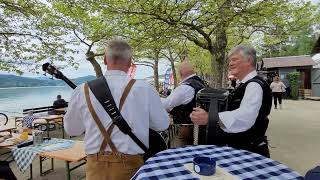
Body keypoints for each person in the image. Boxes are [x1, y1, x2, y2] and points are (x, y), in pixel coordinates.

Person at [64, 39, 170, 180]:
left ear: (104, 60)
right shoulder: (144, 89)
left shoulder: (81, 90)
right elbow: (162, 124)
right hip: (131, 166)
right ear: (130, 61)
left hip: (95, 168)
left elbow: (72, 130)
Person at [190, 45, 272, 157]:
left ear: (248, 61)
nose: (230, 63)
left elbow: (245, 116)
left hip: (249, 153)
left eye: (234, 59)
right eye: (230, 61)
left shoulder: (254, 85)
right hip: (242, 150)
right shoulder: (244, 85)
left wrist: (210, 118)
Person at [161, 61, 205, 145]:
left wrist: (152, 97)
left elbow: (166, 104)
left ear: (180, 72)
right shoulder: (200, 83)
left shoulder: (185, 88)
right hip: (197, 129)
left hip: (185, 130)